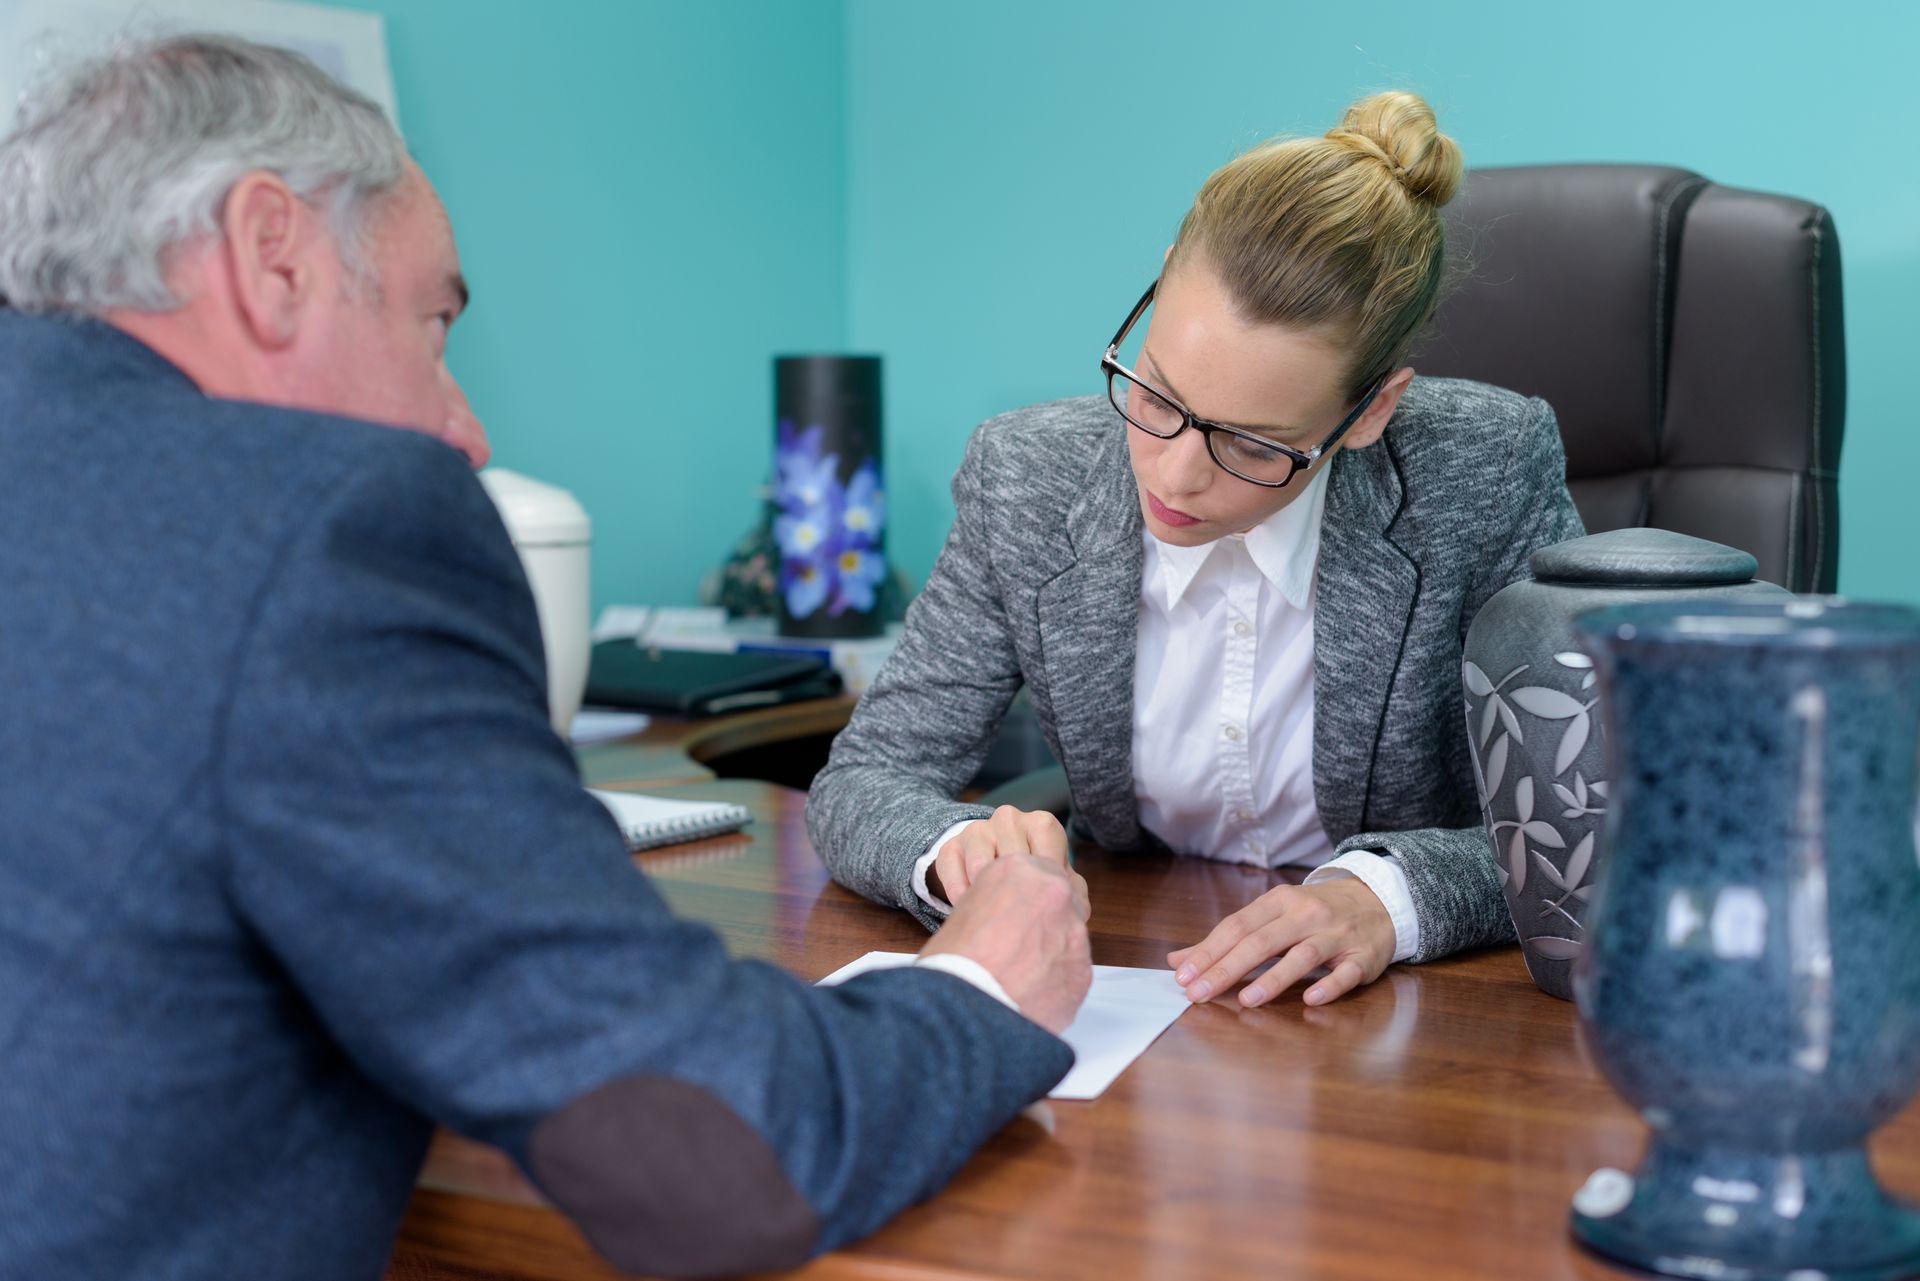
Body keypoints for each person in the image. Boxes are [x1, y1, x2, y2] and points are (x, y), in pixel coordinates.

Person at [0, 34, 1091, 1281]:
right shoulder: (325, 525)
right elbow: (712, 1150)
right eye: (432, 328)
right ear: (272, 257)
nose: (461, 431)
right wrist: (981, 986)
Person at [808, 91, 1583, 1009]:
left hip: (1404, 1026)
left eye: (1253, 445)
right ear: (1162, 282)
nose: (1174, 478)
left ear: (1370, 410)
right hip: (1140, 977)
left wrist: (1390, 897)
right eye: (1158, 395)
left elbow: (1580, 823)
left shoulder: (1483, 469)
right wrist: (952, 853)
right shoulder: (1025, 476)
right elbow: (865, 778)